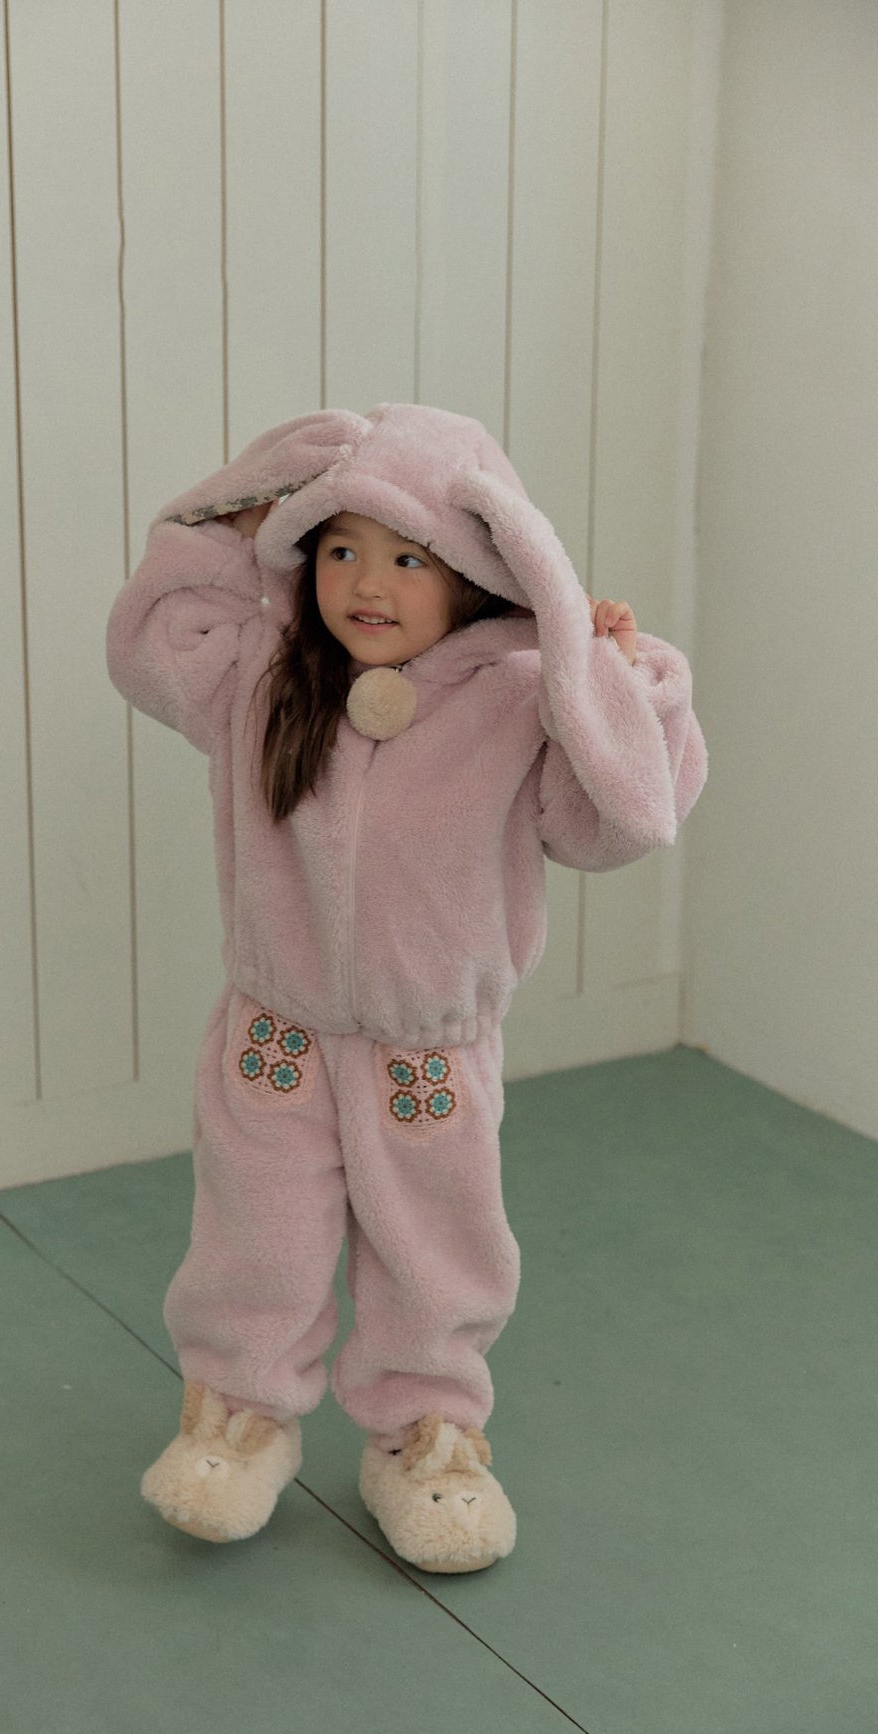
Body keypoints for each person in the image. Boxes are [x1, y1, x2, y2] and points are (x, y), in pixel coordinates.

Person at [105, 402, 707, 1573]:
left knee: (437, 1250)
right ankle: (238, 1416)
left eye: (407, 558)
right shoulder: (265, 672)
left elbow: (621, 821)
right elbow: (151, 635)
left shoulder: (520, 698)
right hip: (275, 1039)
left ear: (478, 573)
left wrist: (611, 674)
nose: (366, 584)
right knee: (256, 1237)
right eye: (340, 549)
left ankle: (428, 1436)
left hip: (428, 1053)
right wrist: (254, 492)